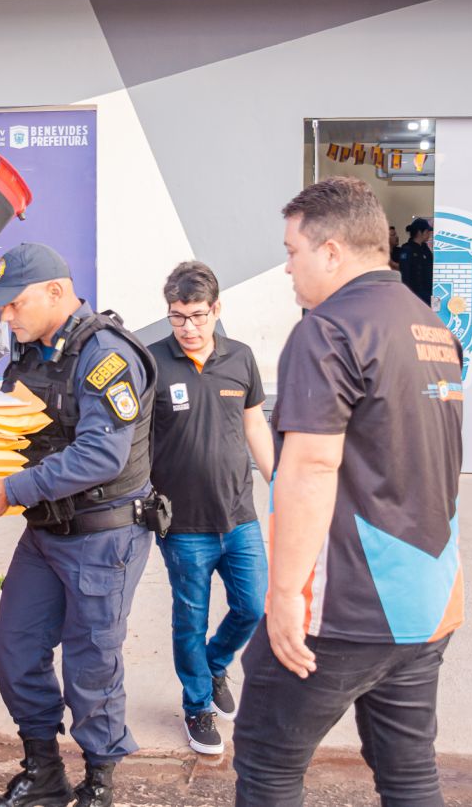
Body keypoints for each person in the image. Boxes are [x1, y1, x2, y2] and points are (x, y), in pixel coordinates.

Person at [233, 178, 464, 807]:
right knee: (409, 773)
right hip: (427, 600)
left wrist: (285, 596)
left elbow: (311, 467)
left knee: (268, 767)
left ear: (331, 251)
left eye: (293, 251)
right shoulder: (431, 326)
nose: (288, 267)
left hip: (346, 606)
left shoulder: (328, 330)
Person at [0, 242, 158, 807]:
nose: (6, 315)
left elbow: (101, 456)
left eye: (14, 304)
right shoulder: (30, 352)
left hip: (104, 536)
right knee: (13, 650)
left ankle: (99, 783)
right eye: (1, 306)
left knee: (92, 664)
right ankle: (43, 773)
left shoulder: (105, 355)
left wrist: (8, 491)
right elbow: (12, 431)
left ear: (55, 292)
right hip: (46, 531)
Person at [146, 261, 273, 756]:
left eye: (198, 316)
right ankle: (197, 705)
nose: (188, 328)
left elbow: (254, 424)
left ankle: (215, 664)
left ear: (216, 309)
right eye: (178, 316)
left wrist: (279, 481)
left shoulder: (240, 357)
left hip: (239, 515)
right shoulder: (153, 363)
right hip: (183, 525)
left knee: (252, 607)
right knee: (189, 621)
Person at [397, 217, 434, 304]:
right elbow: (405, 275)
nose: (429, 235)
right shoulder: (407, 249)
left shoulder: (425, 249)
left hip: (428, 293)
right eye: (427, 232)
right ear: (420, 232)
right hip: (414, 294)